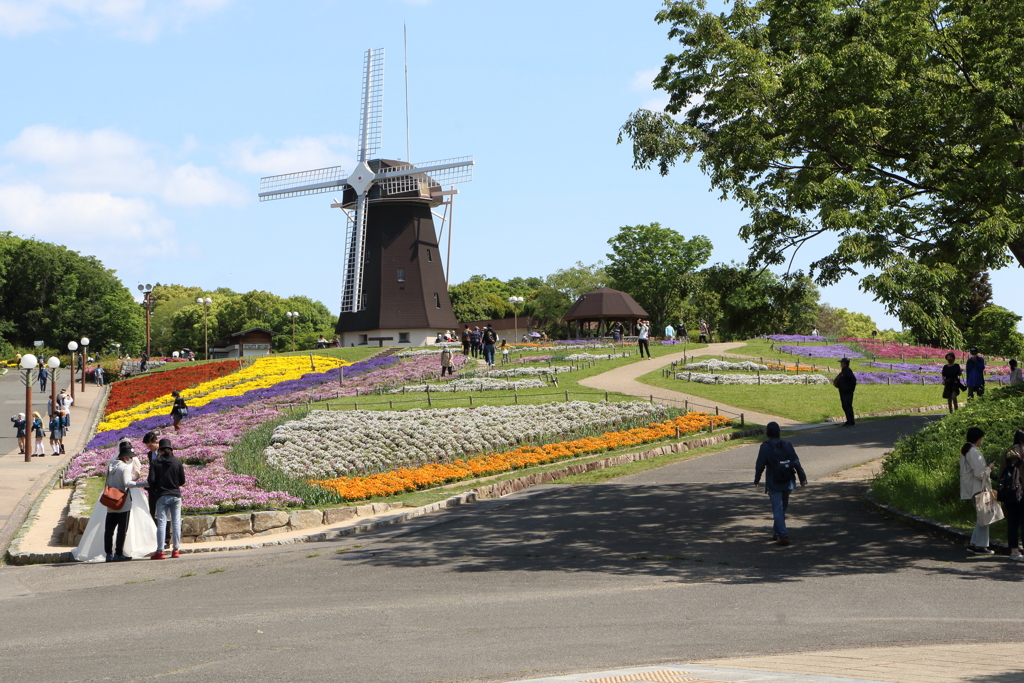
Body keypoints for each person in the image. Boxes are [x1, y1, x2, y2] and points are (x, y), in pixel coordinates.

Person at [754, 422, 808, 546]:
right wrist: (802, 478)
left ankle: (783, 535)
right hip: (788, 481)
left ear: (767, 432)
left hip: (774, 481)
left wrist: (757, 479)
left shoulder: (765, 446)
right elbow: (796, 462)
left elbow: (760, 465)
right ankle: (776, 532)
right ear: (779, 432)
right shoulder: (787, 444)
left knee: (777, 509)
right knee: (782, 509)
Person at [149, 438, 186, 560]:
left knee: (161, 523)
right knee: (176, 522)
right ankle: (176, 549)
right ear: (171, 449)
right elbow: (182, 481)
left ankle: (160, 551)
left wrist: (155, 490)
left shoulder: (155, 462)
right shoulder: (177, 462)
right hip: (175, 495)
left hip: (162, 495)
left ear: (160, 450)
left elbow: (151, 480)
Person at [961, 427, 995, 554]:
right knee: (984, 517)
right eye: (981, 438)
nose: (982, 441)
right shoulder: (975, 453)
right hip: (979, 488)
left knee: (980, 516)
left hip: (972, 489)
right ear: (977, 439)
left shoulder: (966, 451)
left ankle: (974, 543)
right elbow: (980, 474)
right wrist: (989, 468)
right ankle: (980, 546)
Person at [997, 430, 1024, 561]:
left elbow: (1001, 472)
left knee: (1012, 521)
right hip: (1022, 492)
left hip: (1009, 492)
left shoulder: (1007, 453)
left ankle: (1014, 551)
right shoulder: (1023, 454)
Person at [833, 358, 857, 426]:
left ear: (845, 364)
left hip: (847, 392)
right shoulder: (844, 371)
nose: (840, 364)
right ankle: (848, 420)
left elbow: (853, 380)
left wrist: (851, 389)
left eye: (842, 363)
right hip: (843, 391)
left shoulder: (847, 371)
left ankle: (851, 421)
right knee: (844, 406)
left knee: (847, 406)